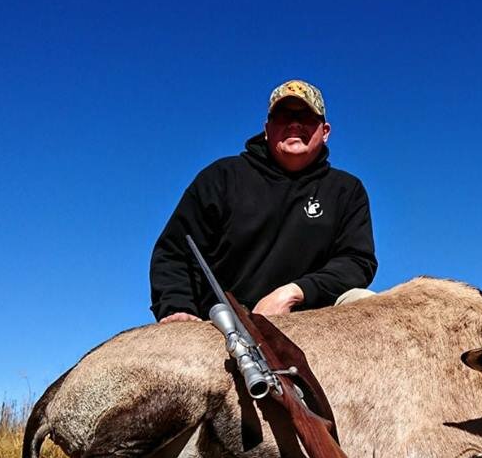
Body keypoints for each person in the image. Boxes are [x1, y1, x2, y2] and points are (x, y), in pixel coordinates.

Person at [150, 80, 378, 323]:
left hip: (315, 315)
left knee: (367, 302)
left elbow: (357, 262)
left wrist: (293, 292)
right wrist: (176, 308)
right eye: (283, 115)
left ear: (325, 132)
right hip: (224, 320)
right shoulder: (222, 177)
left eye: (307, 116)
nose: (294, 123)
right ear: (267, 129)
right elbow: (175, 252)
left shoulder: (347, 190)